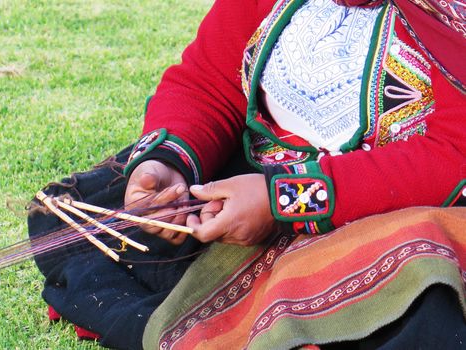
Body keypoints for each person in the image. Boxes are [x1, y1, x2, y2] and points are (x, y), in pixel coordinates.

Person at [29, 0, 466, 349]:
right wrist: (167, 163)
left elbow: (454, 154)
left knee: (423, 285)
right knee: (90, 215)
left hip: (392, 207)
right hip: (254, 183)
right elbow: (208, 82)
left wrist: (282, 202)